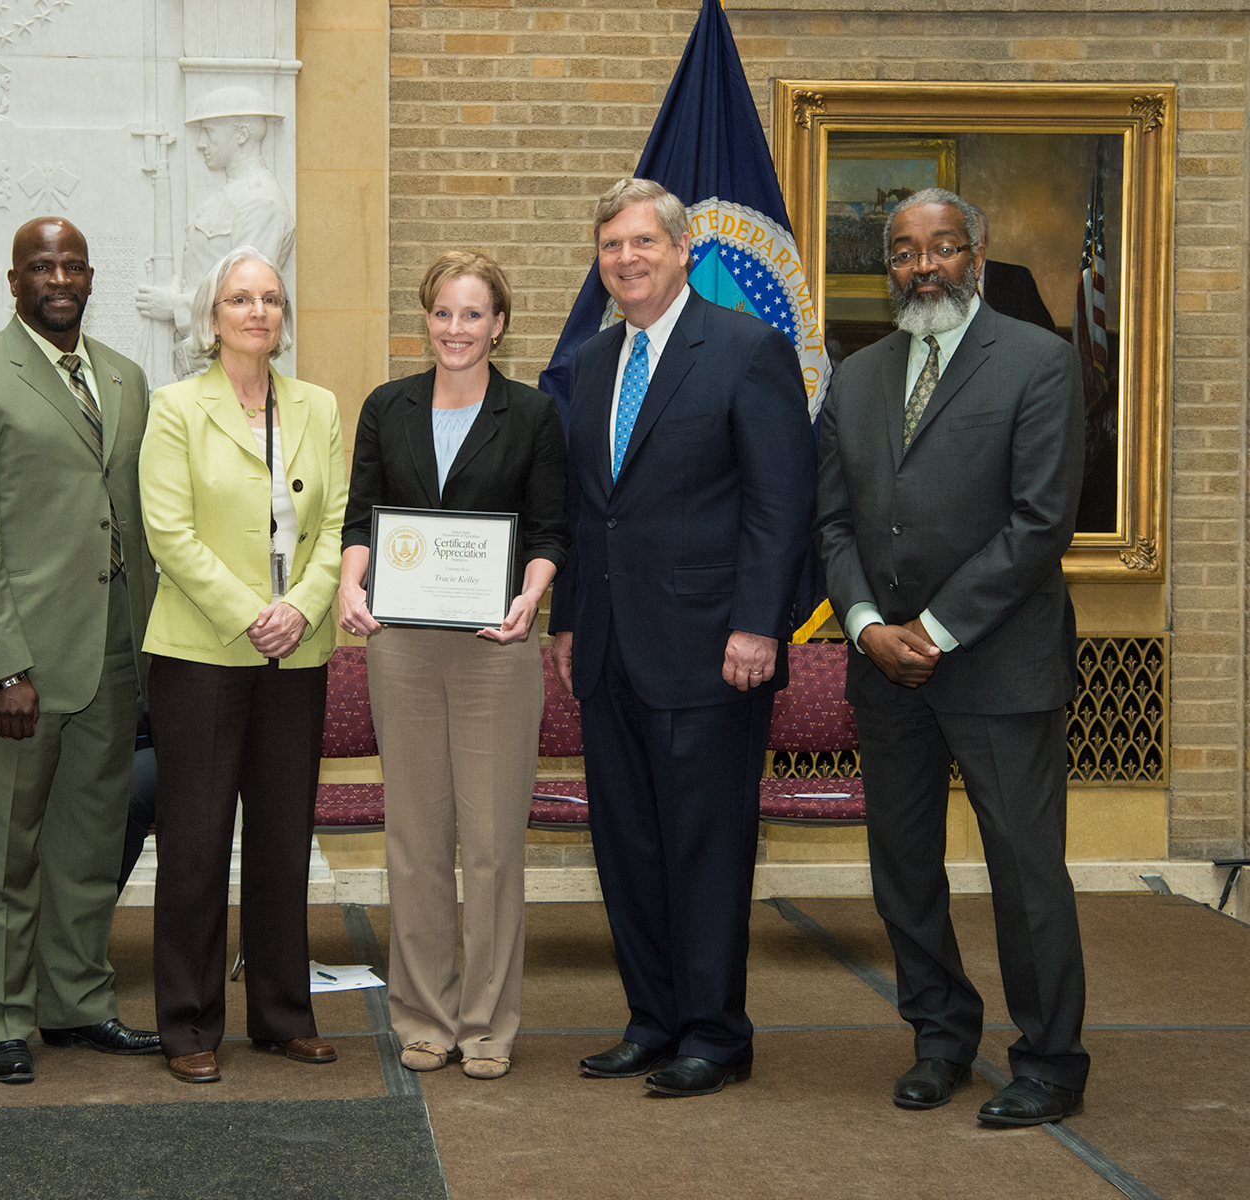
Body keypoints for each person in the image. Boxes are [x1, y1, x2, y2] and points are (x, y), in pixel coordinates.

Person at [815, 187, 1090, 1126]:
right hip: (883, 667)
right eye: (902, 252)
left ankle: (1050, 1060)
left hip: (998, 668)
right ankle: (940, 1037)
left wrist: (933, 629)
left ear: (977, 253)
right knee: (903, 869)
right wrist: (863, 622)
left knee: (1025, 872)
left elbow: (1040, 521)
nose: (922, 266)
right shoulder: (855, 377)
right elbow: (835, 520)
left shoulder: (1039, 363)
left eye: (940, 248)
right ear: (885, 265)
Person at [548, 178, 816, 1096]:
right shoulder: (590, 363)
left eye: (642, 244)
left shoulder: (747, 350)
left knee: (704, 844)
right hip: (611, 650)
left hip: (712, 650)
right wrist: (573, 619)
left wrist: (757, 625)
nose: (626, 259)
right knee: (626, 843)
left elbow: (781, 506)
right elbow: (594, 515)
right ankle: (652, 1020)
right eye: (611, 246)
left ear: (683, 252)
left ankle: (715, 1032)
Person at [0, 216, 160, 1085]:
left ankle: (77, 1003)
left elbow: (137, 521)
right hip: (16, 673)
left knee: (88, 850)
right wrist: (2, 665)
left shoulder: (128, 380)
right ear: (14, 279)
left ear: (91, 275)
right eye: (40, 266)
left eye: (72, 265)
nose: (59, 278)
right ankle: (0, 1016)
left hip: (112, 660)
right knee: (2, 854)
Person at [337, 251, 568, 1081]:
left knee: (497, 843)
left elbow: (548, 532)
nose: (457, 330)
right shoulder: (384, 407)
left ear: (499, 324)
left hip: (496, 650)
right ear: (424, 318)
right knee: (417, 839)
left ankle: (489, 1024)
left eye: (474, 315)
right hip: (400, 646)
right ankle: (426, 1017)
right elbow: (359, 516)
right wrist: (350, 583)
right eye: (443, 313)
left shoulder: (534, 415)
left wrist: (531, 596)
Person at [138, 245, 346, 1084]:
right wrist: (251, 613)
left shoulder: (319, 405)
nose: (256, 311)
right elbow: (168, 532)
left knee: (282, 838)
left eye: (269, 298)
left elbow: (338, 522)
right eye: (238, 299)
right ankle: (187, 1026)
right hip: (201, 652)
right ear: (210, 316)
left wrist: (300, 606)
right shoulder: (174, 408)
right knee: (194, 839)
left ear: (283, 315)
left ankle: (282, 1015)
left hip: (299, 648)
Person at [134, 86, 296, 378]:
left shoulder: (261, 202)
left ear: (241, 135)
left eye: (208, 132)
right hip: (201, 362)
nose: (199, 143)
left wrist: (175, 306)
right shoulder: (232, 193)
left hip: (228, 369)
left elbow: (248, 296)